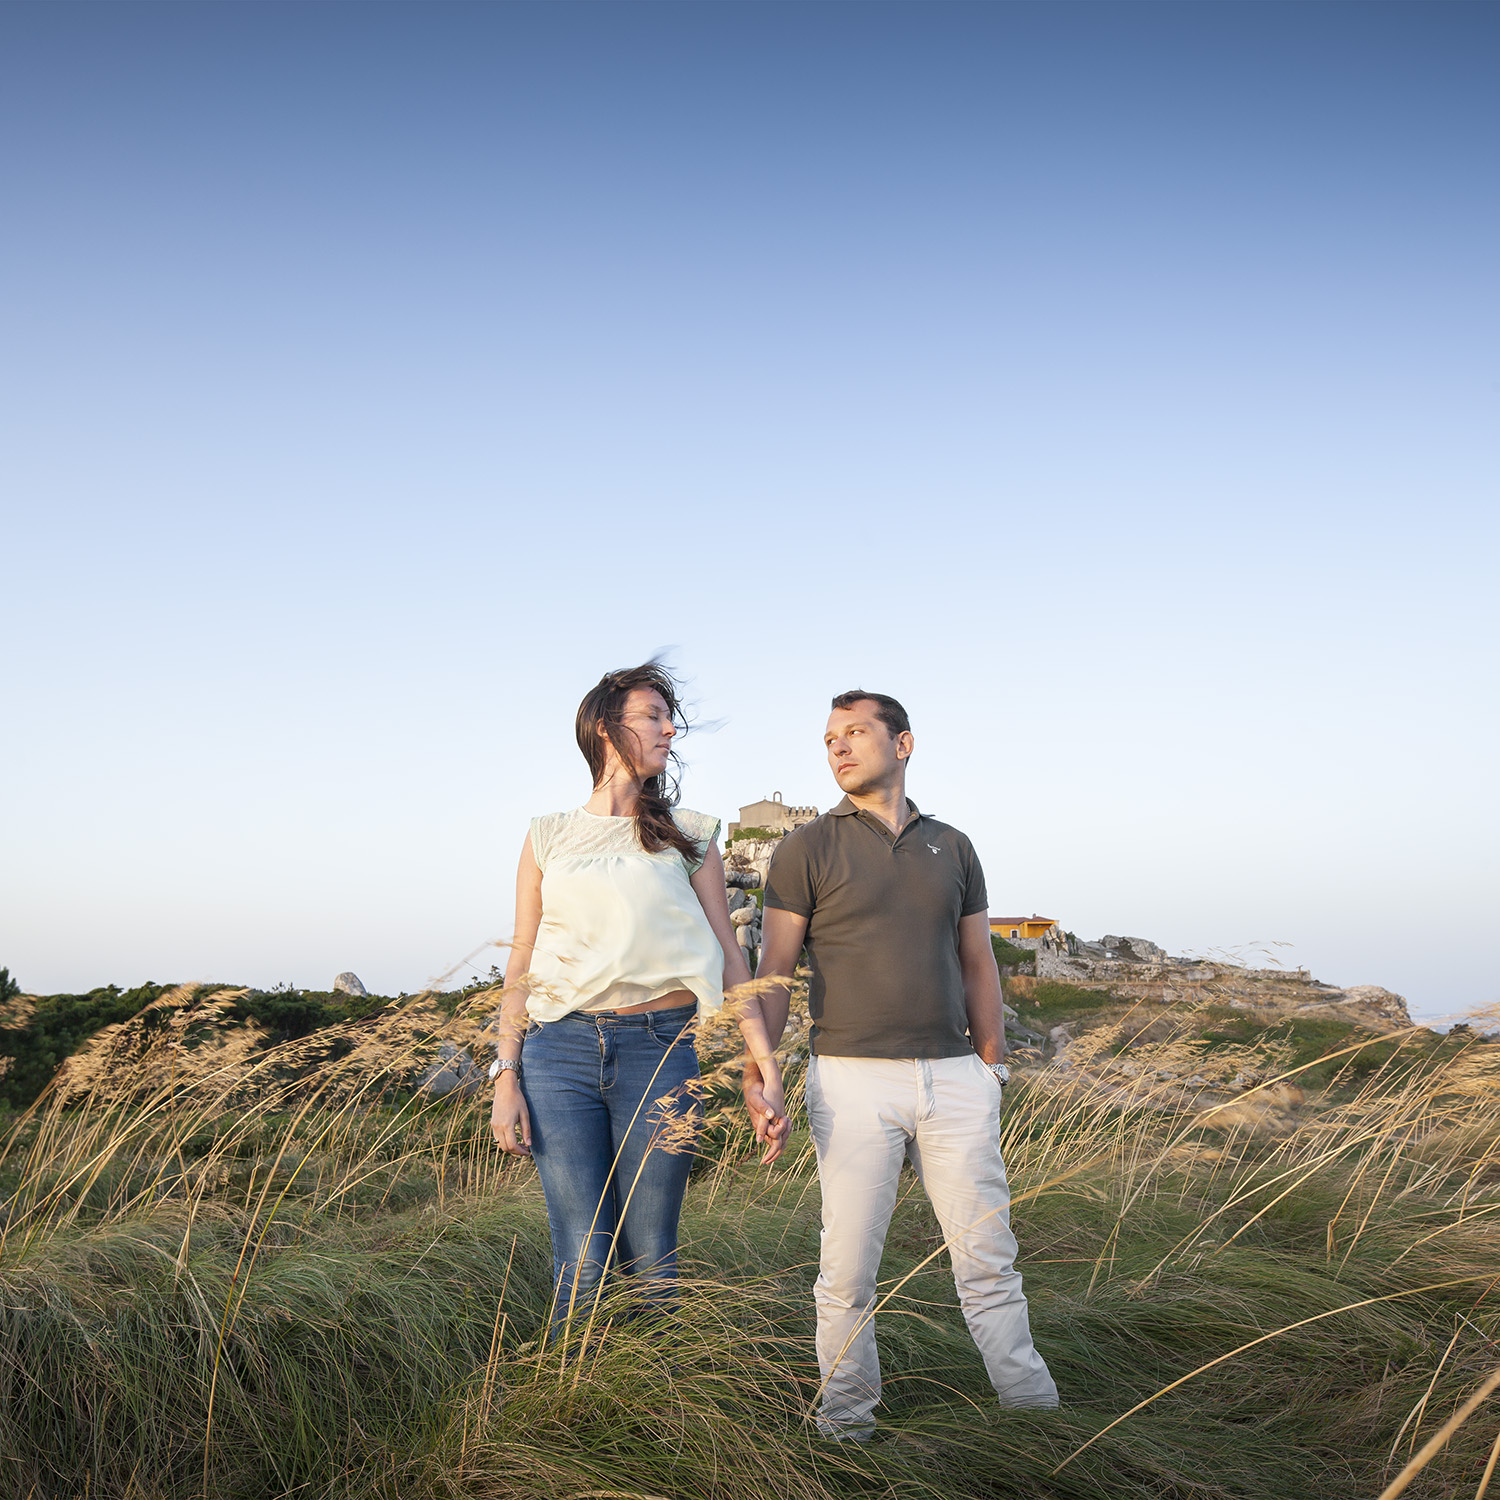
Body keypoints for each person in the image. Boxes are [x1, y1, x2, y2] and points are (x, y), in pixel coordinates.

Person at [743, 689, 1058, 1436]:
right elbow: (775, 970)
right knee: (847, 1274)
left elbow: (978, 962)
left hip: (956, 1079)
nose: (839, 748)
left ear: (904, 743)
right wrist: (765, 1073)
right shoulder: (806, 847)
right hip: (851, 1081)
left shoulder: (954, 846)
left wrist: (992, 1068)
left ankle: (1036, 1418)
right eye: (829, 738)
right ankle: (847, 1427)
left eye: (856, 732)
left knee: (987, 1264)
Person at [489, 662, 786, 1331]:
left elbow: (732, 956)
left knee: (653, 1260)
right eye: (653, 714)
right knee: (584, 1257)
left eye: (668, 716)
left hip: (660, 1050)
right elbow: (522, 961)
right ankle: (569, 1409)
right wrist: (505, 1074)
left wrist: (764, 1063)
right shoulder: (547, 837)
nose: (669, 728)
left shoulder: (692, 835)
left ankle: (657, 1413)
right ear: (605, 726)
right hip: (556, 1053)